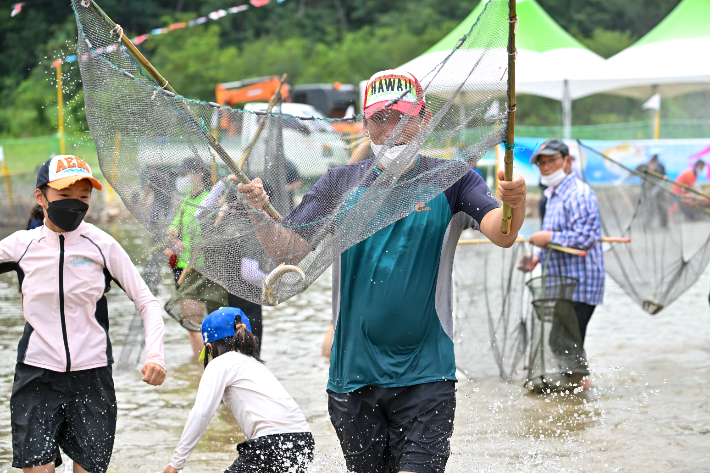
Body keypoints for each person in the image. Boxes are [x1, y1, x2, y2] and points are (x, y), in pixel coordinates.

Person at [236, 69, 527, 473]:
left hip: (427, 375)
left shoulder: (453, 180)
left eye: (401, 118)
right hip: (351, 379)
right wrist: (256, 212)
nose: (390, 129)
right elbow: (287, 251)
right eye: (379, 119)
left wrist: (516, 202)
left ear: (424, 118)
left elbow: (504, 233)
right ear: (365, 123)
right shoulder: (339, 183)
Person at [0, 155, 166, 473]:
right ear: (41, 196)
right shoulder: (22, 245)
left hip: (92, 378)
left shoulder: (102, 245)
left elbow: (147, 302)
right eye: (64, 196)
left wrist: (155, 355)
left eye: (83, 198)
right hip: (37, 375)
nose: (74, 205)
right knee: (38, 468)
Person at [163, 307, 313, 473]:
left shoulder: (220, 363)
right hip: (303, 441)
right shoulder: (255, 364)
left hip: (270, 443)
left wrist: (176, 463)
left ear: (209, 347)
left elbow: (201, 413)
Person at [518, 139, 604, 390]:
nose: (546, 167)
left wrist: (549, 238)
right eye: (541, 163)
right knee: (566, 341)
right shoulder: (551, 195)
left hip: (581, 283)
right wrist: (537, 257)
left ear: (568, 161)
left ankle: (580, 394)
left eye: (552, 160)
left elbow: (586, 238)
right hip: (562, 282)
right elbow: (556, 239)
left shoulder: (579, 193)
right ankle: (579, 392)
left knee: (561, 340)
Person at [164, 157, 228, 357]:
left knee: (199, 325)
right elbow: (174, 225)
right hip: (183, 266)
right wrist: (174, 236)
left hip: (203, 269)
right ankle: (202, 368)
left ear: (198, 175)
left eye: (185, 174)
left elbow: (212, 232)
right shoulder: (187, 200)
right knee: (194, 325)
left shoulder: (209, 200)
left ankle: (202, 368)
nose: (181, 179)